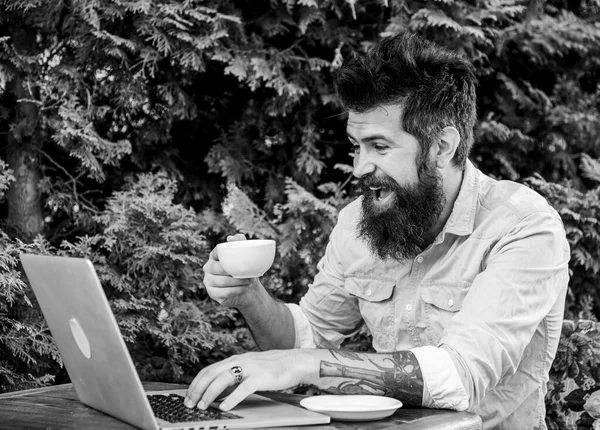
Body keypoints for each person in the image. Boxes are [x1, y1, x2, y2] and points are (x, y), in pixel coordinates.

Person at [186, 31, 570, 430]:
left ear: (442, 146)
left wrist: (301, 364)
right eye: (356, 146)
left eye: (379, 147)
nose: (359, 168)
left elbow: (461, 374)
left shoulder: (524, 226)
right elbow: (307, 340)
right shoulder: (357, 221)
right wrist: (251, 296)